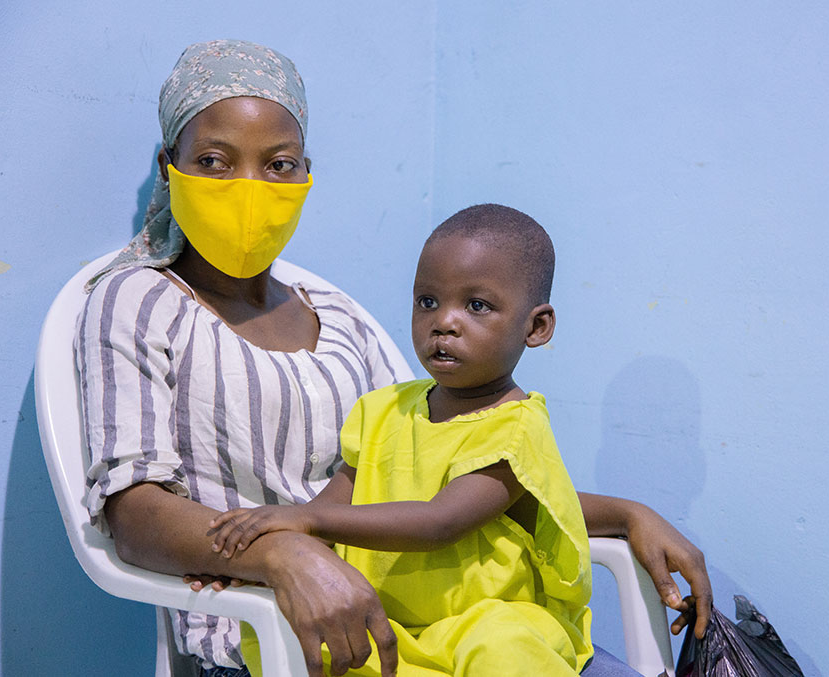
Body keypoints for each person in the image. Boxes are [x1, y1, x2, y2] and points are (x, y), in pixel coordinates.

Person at [76, 39, 712, 677]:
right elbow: (134, 516)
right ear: (170, 166)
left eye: (278, 164)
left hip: (436, 626)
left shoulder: (338, 314)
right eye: (214, 161)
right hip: (275, 631)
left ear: (304, 174)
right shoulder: (136, 300)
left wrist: (630, 514)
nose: (249, 187)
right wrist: (281, 555)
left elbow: (453, 470)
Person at [212, 205, 593, 675]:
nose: (444, 323)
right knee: (306, 639)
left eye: (477, 305)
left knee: (507, 647)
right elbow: (334, 507)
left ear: (536, 327)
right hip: (393, 630)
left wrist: (304, 518)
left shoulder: (517, 429)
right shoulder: (383, 410)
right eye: (428, 302)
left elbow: (439, 523)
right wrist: (255, 547)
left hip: (480, 629)